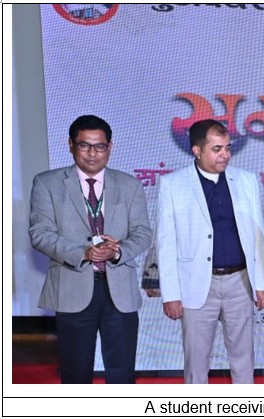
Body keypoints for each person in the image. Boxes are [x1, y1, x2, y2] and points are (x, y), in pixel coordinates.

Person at [29, 115, 152, 383]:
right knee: (75, 373)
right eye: (84, 145)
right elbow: (40, 234)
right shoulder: (47, 183)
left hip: (119, 291)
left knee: (122, 374)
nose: (93, 153)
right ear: (71, 145)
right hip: (72, 288)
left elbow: (143, 233)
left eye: (100, 146)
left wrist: (117, 251)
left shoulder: (129, 184)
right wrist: (82, 253)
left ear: (110, 147)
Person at [157, 119, 264, 384]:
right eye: (217, 149)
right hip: (196, 284)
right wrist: (171, 294)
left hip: (240, 281)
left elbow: (258, 235)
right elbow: (166, 242)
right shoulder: (172, 184)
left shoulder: (246, 180)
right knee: (196, 362)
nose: (225, 155)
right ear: (197, 150)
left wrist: (261, 283)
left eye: (228, 148)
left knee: (244, 359)